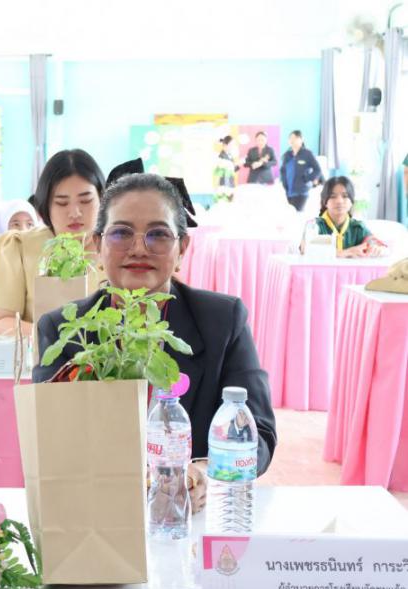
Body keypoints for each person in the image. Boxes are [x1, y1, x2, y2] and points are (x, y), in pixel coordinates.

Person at [33, 172, 277, 513]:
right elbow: (49, 440)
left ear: (182, 249)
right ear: (97, 245)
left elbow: (259, 433)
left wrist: (205, 472)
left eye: (158, 234)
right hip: (97, 516)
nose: (138, 248)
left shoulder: (222, 321)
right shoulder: (63, 329)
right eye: (121, 233)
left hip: (191, 516)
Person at [0, 149, 106, 337]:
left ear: (102, 199)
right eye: (62, 203)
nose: (75, 213)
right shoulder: (18, 247)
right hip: (39, 355)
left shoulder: (119, 248)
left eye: (85, 201)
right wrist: (57, 339)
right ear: (45, 206)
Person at [313, 176, 383, 258]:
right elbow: (305, 248)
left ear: (351, 202)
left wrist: (376, 248)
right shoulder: (315, 225)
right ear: (325, 202)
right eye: (333, 196)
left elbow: (375, 243)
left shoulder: (358, 227)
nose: (339, 201)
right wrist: (343, 253)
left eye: (345, 196)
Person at [280, 130, 324, 212]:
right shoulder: (287, 155)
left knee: (297, 214)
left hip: (301, 191)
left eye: (295, 138)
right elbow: (283, 171)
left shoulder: (307, 154)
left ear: (301, 139)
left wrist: (307, 179)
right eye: (291, 138)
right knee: (291, 214)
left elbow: (318, 170)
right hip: (289, 191)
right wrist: (284, 182)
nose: (292, 140)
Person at [212, 136, 240, 203]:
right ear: (225, 145)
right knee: (223, 202)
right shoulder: (221, 156)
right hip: (223, 183)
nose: (233, 147)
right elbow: (218, 172)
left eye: (233, 145)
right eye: (231, 145)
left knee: (230, 202)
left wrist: (237, 165)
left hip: (230, 182)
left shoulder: (230, 155)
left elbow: (233, 169)